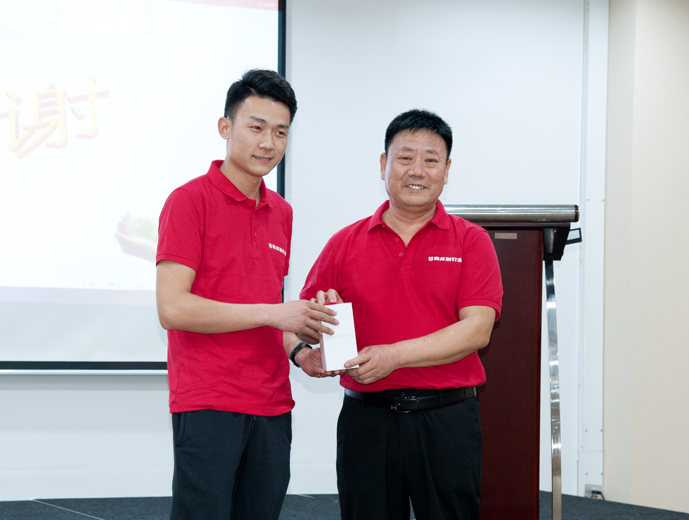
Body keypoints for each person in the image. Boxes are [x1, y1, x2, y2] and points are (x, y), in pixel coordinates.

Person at [297, 109, 503, 520]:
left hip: (447, 419)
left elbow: (477, 330)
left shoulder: (471, 241)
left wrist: (393, 355)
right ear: (383, 165)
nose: (417, 170)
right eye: (405, 157)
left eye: (431, 159)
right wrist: (308, 346)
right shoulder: (344, 243)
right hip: (366, 420)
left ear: (447, 170)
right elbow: (301, 320)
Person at [155, 69, 338, 520]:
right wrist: (275, 314)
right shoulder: (189, 201)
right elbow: (172, 308)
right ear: (226, 127)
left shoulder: (282, 213)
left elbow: (272, 312)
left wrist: (300, 351)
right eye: (256, 127)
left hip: (272, 403)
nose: (268, 143)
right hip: (209, 399)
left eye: (280, 132)